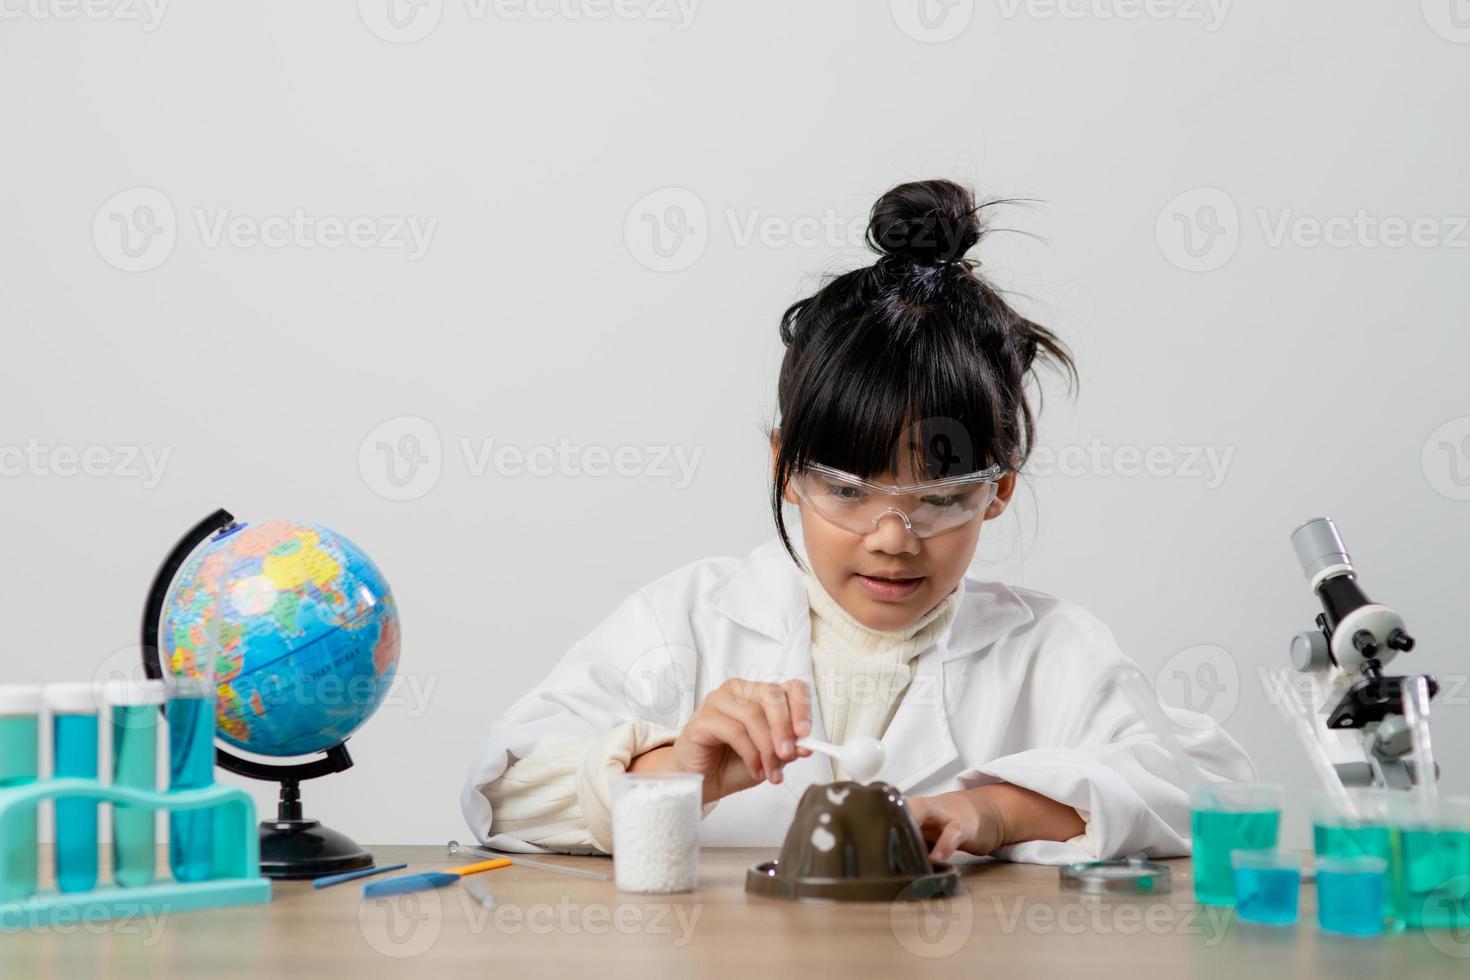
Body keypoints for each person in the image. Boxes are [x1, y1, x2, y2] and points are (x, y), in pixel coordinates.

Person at [461, 179, 1255, 865]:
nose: (892, 538)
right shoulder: (688, 625)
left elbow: (1213, 798)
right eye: (848, 492)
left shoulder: (1050, 651)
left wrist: (992, 812)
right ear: (784, 470)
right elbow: (500, 797)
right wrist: (680, 768)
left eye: (941, 499)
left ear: (999, 488)